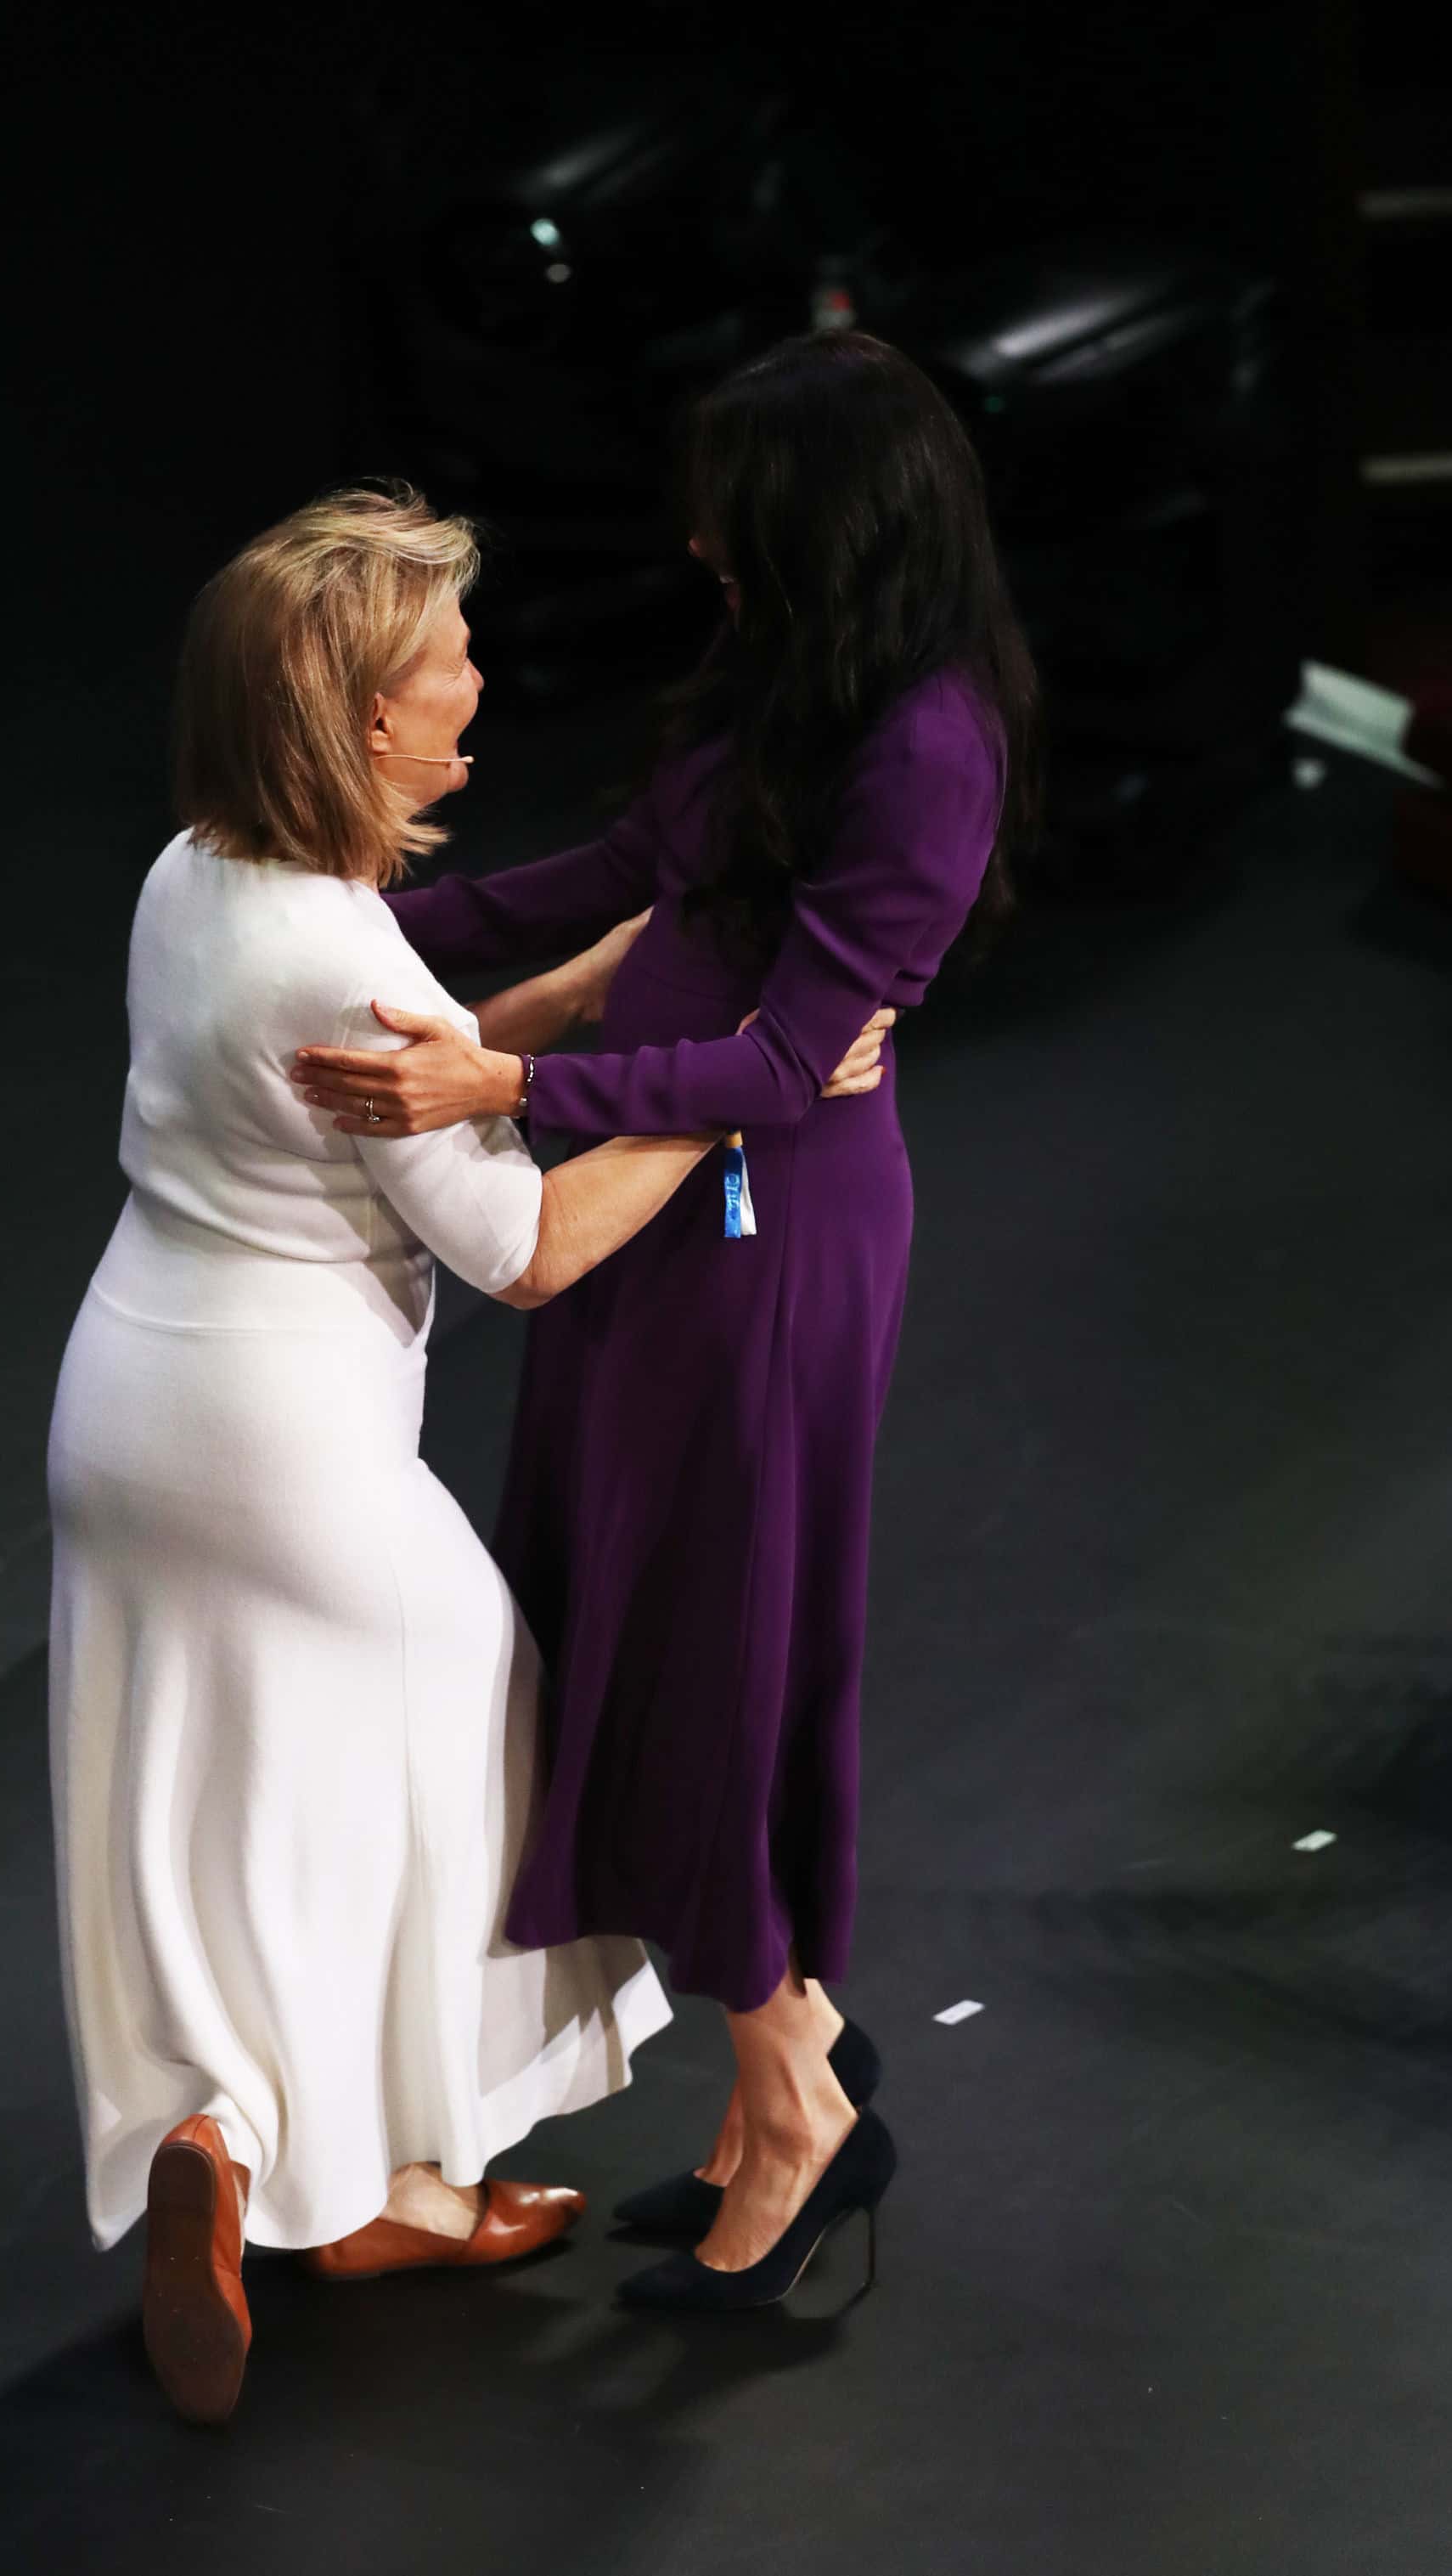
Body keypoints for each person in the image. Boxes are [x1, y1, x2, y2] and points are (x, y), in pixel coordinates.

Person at [290, 332, 1039, 2313]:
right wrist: (346, 911)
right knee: (640, 1621)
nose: (700, 534)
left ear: (826, 516)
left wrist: (509, 1088)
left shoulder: (932, 742)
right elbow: (630, 876)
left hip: (766, 1238)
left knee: (712, 1641)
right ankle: (770, 2076)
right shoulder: (797, 676)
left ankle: (792, 2090)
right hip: (652, 1209)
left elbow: (796, 1059)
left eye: (734, 502)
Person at [48, 487, 779, 2423]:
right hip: (285, 1442)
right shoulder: (344, 956)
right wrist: (735, 1096)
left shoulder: (198, 873)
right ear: (369, 716)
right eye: (445, 654)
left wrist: (573, 1001)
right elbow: (523, 1244)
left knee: (225, 1794)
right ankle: (398, 2184)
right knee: (478, 1744)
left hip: (126, 1408)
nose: (478, 675)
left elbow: (396, 1062)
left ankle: (227, 2121)